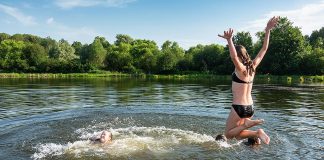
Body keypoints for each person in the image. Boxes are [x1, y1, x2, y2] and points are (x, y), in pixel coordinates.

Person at [218, 16, 280, 145]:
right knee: (239, 136)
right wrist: (268, 30)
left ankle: (248, 125)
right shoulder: (253, 67)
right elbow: (264, 49)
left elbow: (234, 56)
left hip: (238, 107)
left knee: (229, 134)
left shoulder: (240, 69)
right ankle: (257, 132)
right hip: (250, 107)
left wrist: (229, 40)